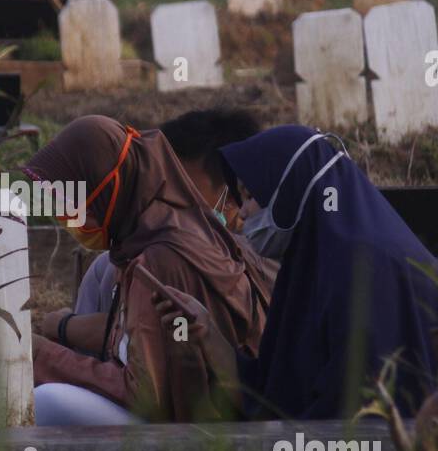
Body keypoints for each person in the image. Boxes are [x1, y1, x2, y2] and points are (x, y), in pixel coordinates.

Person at [154, 125, 438, 419]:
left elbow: (350, 414)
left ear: (294, 190)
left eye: (251, 196)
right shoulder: (311, 265)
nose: (244, 213)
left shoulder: (361, 266)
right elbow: (274, 396)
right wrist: (207, 332)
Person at [24, 115, 271, 425]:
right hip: (198, 412)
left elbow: (145, 396)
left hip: (188, 427)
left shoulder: (158, 259)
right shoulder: (165, 230)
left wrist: (41, 357)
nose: (71, 216)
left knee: (47, 401)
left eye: (75, 200)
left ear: (107, 187)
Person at [49, 106, 278, 356]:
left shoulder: (261, 253)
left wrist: (65, 327)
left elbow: (148, 345)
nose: (167, 197)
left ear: (235, 192)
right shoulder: (119, 261)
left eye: (183, 189)